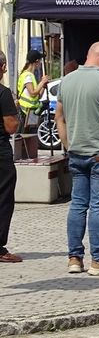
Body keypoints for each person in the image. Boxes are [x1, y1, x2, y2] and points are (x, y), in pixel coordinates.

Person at [56, 41, 99, 275]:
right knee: (98, 207)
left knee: (78, 204)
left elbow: (59, 117)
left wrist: (68, 144)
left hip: (76, 152)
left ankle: (74, 258)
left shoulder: (67, 80)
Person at [0, 51, 22, 263]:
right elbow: (11, 126)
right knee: (4, 199)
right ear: (2, 67)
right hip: (1, 153)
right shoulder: (3, 93)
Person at [16, 49, 48, 129]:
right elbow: (32, 93)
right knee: (27, 136)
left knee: (32, 136)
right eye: (40, 61)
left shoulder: (31, 75)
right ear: (36, 62)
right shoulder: (27, 76)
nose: (41, 63)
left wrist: (43, 86)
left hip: (32, 112)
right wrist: (42, 82)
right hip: (24, 112)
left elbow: (38, 96)